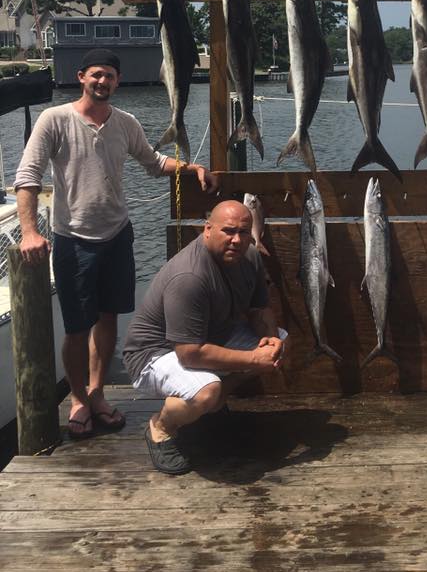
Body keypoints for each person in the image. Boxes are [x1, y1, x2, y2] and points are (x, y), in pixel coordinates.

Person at [14, 48, 219, 441]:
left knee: (108, 319)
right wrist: (28, 231)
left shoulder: (125, 122)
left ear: (117, 81)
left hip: (117, 235)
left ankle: (97, 392)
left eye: (109, 75)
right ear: (81, 77)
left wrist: (191, 168)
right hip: (73, 238)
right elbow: (28, 176)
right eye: (96, 74)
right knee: (77, 328)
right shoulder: (54, 119)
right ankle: (78, 399)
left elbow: (153, 161)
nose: (102, 81)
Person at [123, 199, 287, 475]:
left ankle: (215, 402)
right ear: (207, 229)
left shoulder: (250, 257)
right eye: (228, 231)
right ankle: (161, 427)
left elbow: (259, 309)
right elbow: (190, 353)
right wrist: (253, 359)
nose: (236, 240)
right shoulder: (190, 276)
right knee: (206, 390)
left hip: (208, 337)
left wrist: (270, 338)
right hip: (154, 354)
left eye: (243, 232)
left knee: (281, 342)